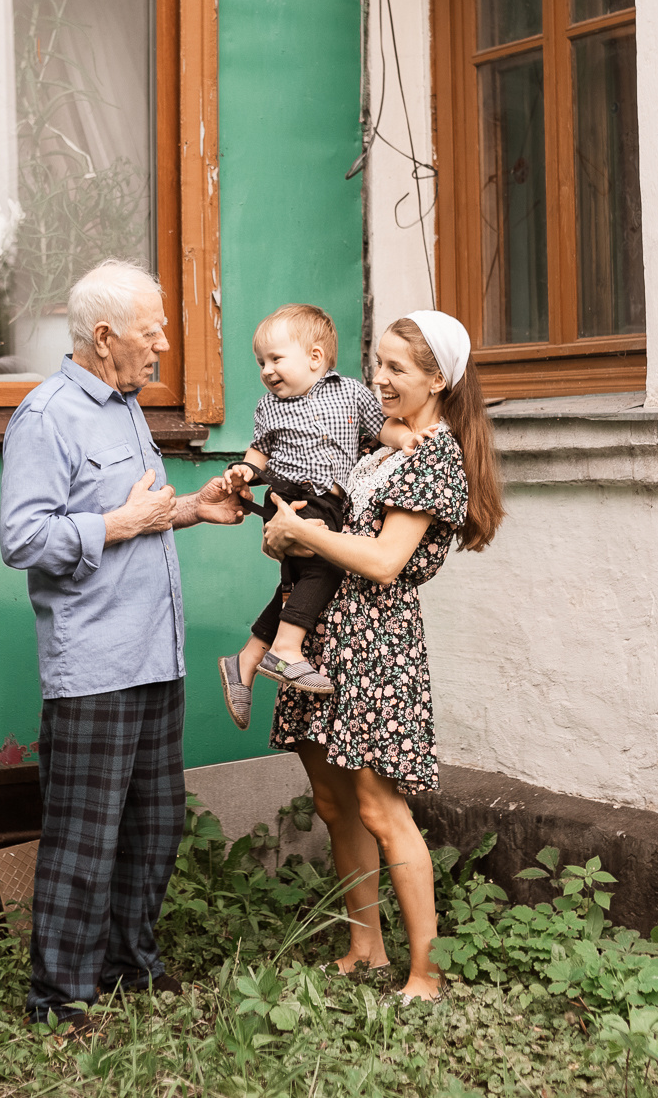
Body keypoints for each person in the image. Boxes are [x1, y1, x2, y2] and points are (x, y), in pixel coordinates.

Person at [0, 260, 246, 1032]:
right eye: (152, 331)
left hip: (155, 655)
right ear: (104, 337)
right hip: (95, 665)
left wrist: (194, 508)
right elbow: (22, 537)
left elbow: (139, 515)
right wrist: (118, 523)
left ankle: (129, 966)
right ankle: (60, 999)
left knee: (154, 826)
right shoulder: (47, 417)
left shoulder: (128, 407)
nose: (164, 344)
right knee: (83, 839)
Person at [262, 310, 504, 1002]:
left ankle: (426, 971)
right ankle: (365, 947)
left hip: (375, 644)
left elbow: (384, 560)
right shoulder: (382, 445)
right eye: (378, 364)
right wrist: (287, 533)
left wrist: (301, 533)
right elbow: (336, 524)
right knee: (334, 802)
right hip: (325, 632)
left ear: (438, 379)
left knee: (377, 805)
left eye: (398, 368)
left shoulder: (436, 455)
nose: (381, 379)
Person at [216, 304, 426, 730]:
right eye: (261, 363)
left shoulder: (351, 393)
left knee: (302, 579)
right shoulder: (269, 407)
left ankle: (247, 659)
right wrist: (244, 472)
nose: (266, 371)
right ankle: (285, 650)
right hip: (289, 495)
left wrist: (405, 437)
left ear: (315, 357)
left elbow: (379, 428)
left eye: (275, 359)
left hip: (330, 501)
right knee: (327, 566)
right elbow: (259, 451)